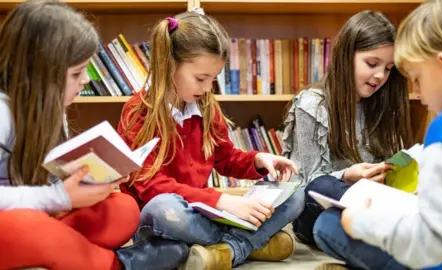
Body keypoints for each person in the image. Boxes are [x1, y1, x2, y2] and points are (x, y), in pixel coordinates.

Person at [0, 1, 187, 269]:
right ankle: (117, 264)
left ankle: (67, 252)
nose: (86, 80)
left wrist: (95, 182)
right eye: (76, 73)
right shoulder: (3, 112)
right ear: (37, 74)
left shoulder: (53, 111)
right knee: (26, 227)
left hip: (45, 213)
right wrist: (59, 198)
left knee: (122, 208)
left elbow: (52, 183)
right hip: (16, 221)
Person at [117, 9, 305, 270]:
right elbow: (151, 187)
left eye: (213, 79)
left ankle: (224, 250)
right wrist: (221, 201)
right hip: (168, 216)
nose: (207, 88)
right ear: (169, 64)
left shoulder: (205, 106)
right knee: (163, 208)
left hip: (207, 213)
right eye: (200, 79)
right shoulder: (138, 112)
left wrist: (259, 160)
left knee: (296, 192)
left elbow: (226, 159)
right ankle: (249, 245)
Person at [341, 0, 442, 269]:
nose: (416, 91)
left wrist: (361, 222)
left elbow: (433, 242)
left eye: (416, 77)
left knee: (333, 225)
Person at [283, 10, 412, 269]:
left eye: (388, 69)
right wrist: (347, 175)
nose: (380, 77)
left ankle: (388, 232)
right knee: (323, 187)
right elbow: (307, 182)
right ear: (345, 57)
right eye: (372, 64)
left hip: (372, 205)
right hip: (317, 207)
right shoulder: (312, 104)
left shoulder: (384, 104)